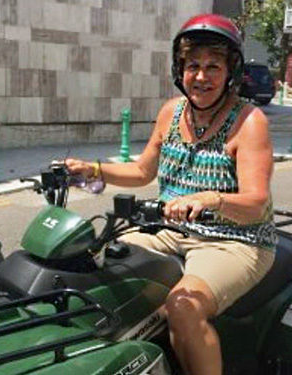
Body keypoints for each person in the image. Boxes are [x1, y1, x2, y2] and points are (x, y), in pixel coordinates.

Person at [65, 13, 277, 375]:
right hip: (168, 229)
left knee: (183, 306)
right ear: (180, 70)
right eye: (193, 65)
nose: (201, 76)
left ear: (231, 72)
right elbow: (142, 171)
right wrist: (95, 170)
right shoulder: (170, 113)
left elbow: (256, 204)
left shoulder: (249, 122)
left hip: (234, 239)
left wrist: (213, 199)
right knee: (93, 267)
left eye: (213, 66)